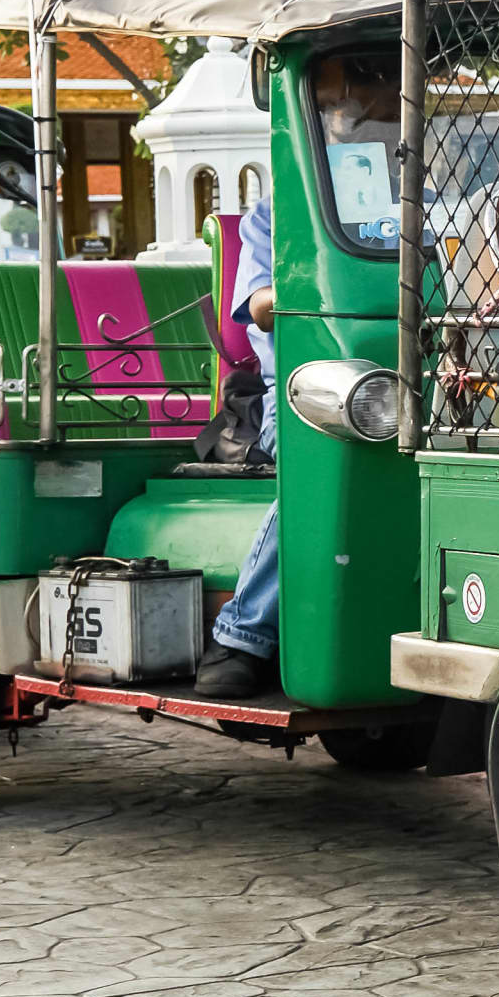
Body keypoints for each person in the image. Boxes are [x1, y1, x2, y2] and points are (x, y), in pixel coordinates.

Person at [193, 194, 282, 699]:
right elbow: (260, 307)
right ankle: (240, 633)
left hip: (417, 382)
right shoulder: (277, 214)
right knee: (320, 478)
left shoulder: (421, 202)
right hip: (303, 391)